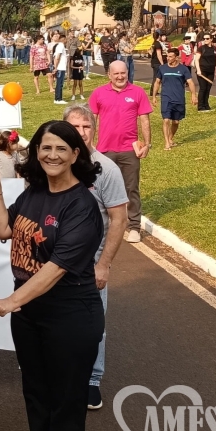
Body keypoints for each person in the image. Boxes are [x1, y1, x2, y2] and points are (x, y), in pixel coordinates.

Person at [0, 120, 104, 431]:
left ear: (75, 155)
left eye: (60, 149)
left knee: (65, 406)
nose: (52, 155)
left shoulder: (81, 205)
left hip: (70, 317)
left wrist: (10, 300)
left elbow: (54, 269)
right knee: (37, 399)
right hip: (30, 318)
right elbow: (5, 229)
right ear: (36, 151)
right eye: (45, 148)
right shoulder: (34, 192)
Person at [63, 105, 128, 410]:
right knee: (56, 323)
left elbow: (119, 220)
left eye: (86, 127)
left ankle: (91, 380)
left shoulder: (106, 170)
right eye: (74, 127)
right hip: (55, 266)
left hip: (90, 268)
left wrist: (104, 265)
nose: (81, 133)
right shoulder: (52, 165)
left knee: (93, 327)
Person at [88, 60, 152, 243]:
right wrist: (89, 146)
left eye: (123, 73)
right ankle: (101, 224)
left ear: (127, 73)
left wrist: (147, 144)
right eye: (116, 73)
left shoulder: (137, 92)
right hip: (104, 151)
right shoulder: (99, 93)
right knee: (99, 189)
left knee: (131, 188)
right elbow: (91, 121)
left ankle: (133, 226)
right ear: (109, 75)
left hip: (129, 151)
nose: (120, 76)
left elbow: (144, 120)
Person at [152, 48, 197, 150]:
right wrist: (154, 96)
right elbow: (157, 82)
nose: (168, 58)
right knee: (166, 120)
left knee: (176, 122)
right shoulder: (162, 68)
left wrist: (193, 95)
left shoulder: (183, 69)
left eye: (170, 56)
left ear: (176, 57)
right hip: (166, 98)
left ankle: (170, 138)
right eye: (167, 56)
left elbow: (190, 82)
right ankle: (167, 143)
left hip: (179, 98)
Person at [193, 34, 216, 112]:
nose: (205, 40)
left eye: (207, 38)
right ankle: (200, 107)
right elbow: (196, 60)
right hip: (202, 71)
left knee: (208, 88)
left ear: (211, 39)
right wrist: (198, 70)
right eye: (204, 38)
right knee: (203, 88)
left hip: (211, 71)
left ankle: (206, 105)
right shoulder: (201, 48)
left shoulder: (214, 48)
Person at [51, 33, 69, 104]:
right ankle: (58, 99)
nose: (66, 40)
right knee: (59, 83)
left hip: (61, 68)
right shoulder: (61, 46)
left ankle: (58, 98)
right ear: (63, 39)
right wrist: (56, 67)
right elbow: (57, 57)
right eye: (66, 39)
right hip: (60, 68)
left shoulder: (61, 46)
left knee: (60, 83)